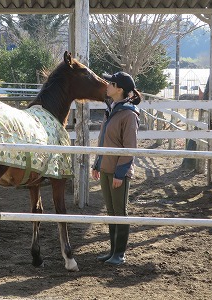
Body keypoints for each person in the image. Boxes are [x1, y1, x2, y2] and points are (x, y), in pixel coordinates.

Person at [92, 71, 142, 265]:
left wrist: (120, 173)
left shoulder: (128, 114)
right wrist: (97, 163)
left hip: (118, 170)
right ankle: (112, 251)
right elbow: (105, 139)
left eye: (111, 83)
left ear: (119, 89)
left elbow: (130, 147)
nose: (107, 85)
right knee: (111, 211)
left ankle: (119, 253)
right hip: (105, 167)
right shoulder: (113, 109)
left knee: (120, 211)